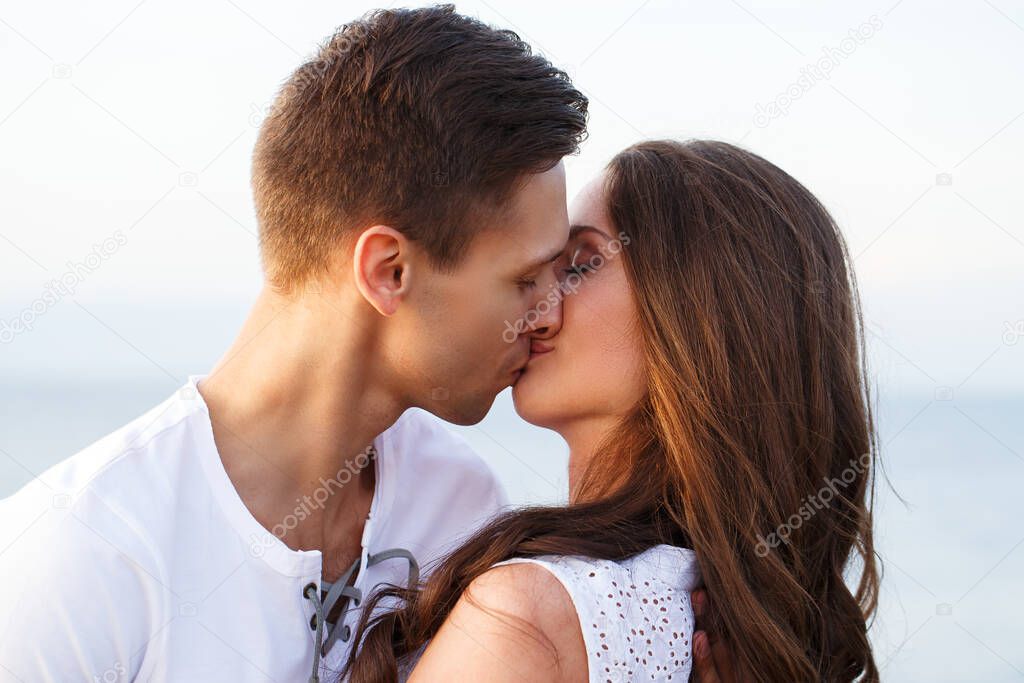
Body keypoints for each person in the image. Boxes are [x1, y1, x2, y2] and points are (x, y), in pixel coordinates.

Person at [0, 7, 589, 681]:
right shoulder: (77, 557)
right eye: (525, 280)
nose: (549, 314)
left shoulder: (463, 508)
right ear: (388, 272)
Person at [342, 140, 881, 683]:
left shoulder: (528, 616)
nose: (536, 310)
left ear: (697, 319)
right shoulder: (706, 612)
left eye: (578, 267)